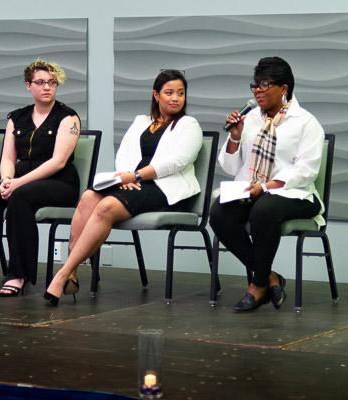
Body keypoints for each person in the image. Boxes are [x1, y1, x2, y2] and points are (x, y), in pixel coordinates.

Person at [44, 69, 203, 306]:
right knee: (88, 197)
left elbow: (177, 162)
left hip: (167, 190)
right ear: (156, 95)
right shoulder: (142, 121)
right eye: (169, 92)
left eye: (180, 93)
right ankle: (72, 274)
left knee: (106, 206)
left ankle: (63, 273)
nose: (175, 98)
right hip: (132, 183)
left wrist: (136, 175)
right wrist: (125, 177)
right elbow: (125, 153)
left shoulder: (189, 125)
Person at [209, 56, 325, 312]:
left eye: (265, 84)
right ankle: (270, 277)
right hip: (252, 189)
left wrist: (268, 185)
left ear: (283, 89)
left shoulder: (306, 123)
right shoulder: (249, 119)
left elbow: (306, 171)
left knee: (263, 211)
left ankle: (257, 285)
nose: (258, 91)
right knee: (219, 213)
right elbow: (229, 167)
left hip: (295, 194)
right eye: (255, 85)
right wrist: (235, 138)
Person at [0, 59, 81, 296]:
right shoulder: (17, 117)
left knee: (21, 197)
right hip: (21, 180)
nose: (47, 87)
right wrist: (6, 179)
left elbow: (58, 162)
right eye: (40, 82)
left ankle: (18, 274)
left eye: (52, 82)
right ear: (28, 85)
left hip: (60, 183)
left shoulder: (68, 118)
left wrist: (17, 184)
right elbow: (8, 157)